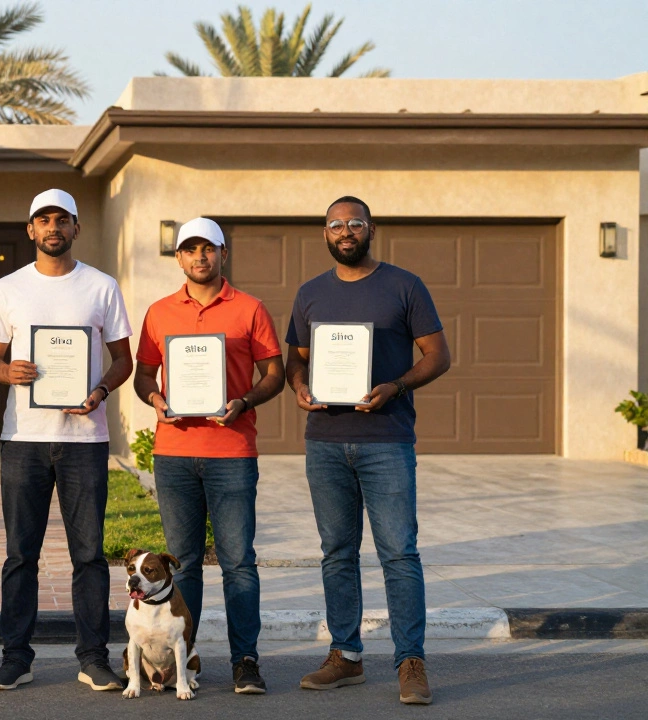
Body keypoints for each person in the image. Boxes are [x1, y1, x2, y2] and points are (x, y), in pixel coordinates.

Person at [285, 196, 450, 706]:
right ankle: (346, 657)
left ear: (370, 228)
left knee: (399, 552)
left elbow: (438, 355)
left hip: (388, 440)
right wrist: (299, 387)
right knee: (337, 554)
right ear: (325, 233)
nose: (345, 231)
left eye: (354, 222)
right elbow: (298, 359)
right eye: (336, 224)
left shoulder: (405, 285)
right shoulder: (311, 293)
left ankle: (410, 661)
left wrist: (396, 386)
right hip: (326, 443)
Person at [0, 188, 134, 692]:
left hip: (85, 439)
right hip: (23, 436)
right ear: (30, 230)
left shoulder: (102, 286)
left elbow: (122, 359)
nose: (52, 228)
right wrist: (6, 371)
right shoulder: (8, 287)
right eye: (43, 220)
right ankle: (15, 658)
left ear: (75, 228)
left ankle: (92, 658)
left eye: (62, 219)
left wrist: (99, 390)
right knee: (20, 554)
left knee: (88, 554)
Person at [132, 217, 285, 695]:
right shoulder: (159, 312)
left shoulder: (250, 309)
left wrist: (244, 402)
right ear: (178, 258)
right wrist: (157, 401)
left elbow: (274, 374)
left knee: (239, 561)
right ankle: (186, 663)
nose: (200, 257)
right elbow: (143, 376)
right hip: (174, 453)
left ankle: (246, 661)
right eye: (190, 250)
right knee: (186, 563)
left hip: (232, 452)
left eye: (209, 249)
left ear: (223, 254)